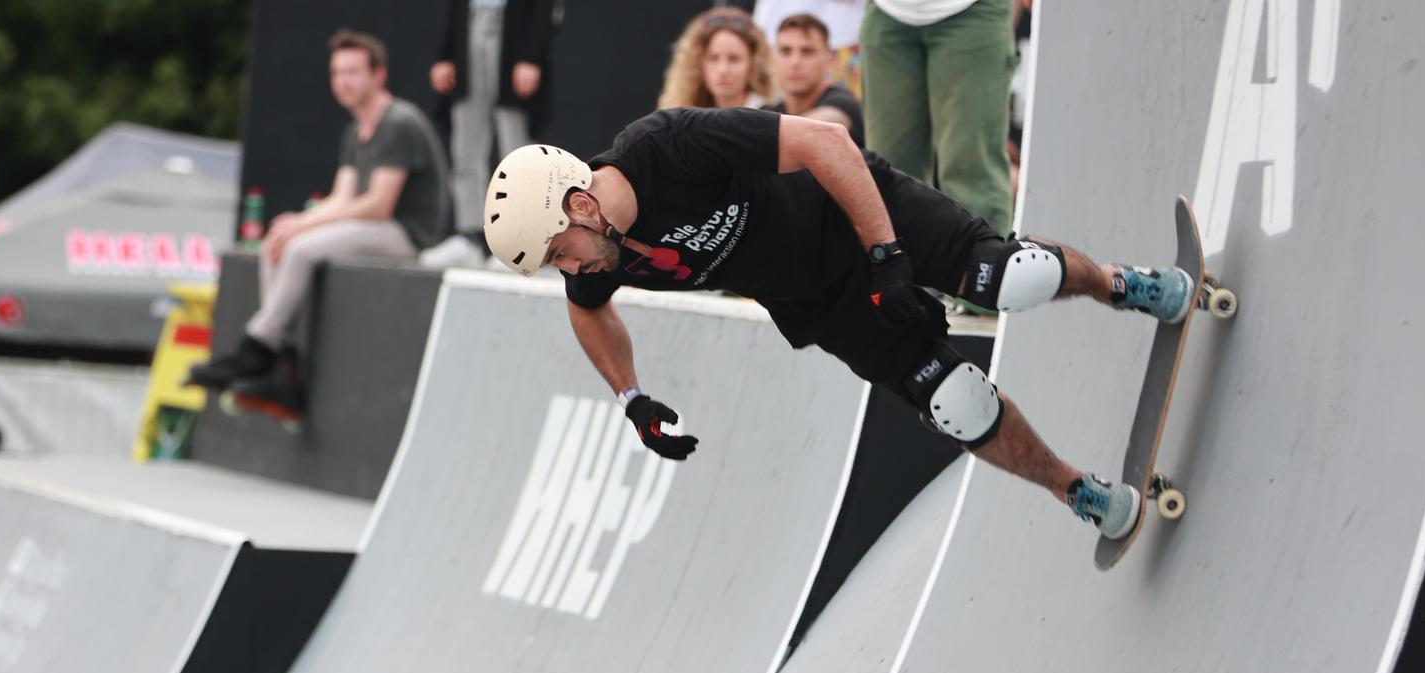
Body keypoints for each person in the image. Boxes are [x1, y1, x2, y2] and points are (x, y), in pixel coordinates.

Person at [481, 109, 1197, 540]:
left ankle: (1120, 285)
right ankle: (1077, 490)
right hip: (819, 300)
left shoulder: (667, 148)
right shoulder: (598, 257)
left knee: (1011, 278)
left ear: (580, 206)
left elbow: (825, 142)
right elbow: (589, 314)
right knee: (957, 404)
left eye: (558, 253)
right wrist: (630, 397)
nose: (568, 269)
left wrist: (886, 255)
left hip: (856, 214)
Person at [187, 29, 451, 417]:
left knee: (302, 248)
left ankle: (256, 348)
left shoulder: (399, 122)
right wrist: (296, 222)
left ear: (379, 75)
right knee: (276, 243)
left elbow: (379, 204)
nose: (343, 81)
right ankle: (282, 365)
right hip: (376, 227)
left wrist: (304, 230)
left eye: (353, 72)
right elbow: (343, 197)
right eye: (336, 73)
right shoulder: (354, 131)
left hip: (407, 235)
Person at [859, 0, 1017, 241]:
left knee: (970, 167)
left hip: (971, 11)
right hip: (887, 12)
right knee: (887, 170)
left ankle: (984, 268)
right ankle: (895, 271)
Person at [426, 0, 556, 266]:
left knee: (518, 150)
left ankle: (521, 240)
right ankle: (470, 235)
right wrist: (446, 55)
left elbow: (545, 8)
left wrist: (531, 56)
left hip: (513, 36)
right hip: (470, 32)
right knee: (466, 146)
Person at [762, 14, 865, 147]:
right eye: (786, 51)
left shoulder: (844, 103)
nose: (795, 62)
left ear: (829, 59)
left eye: (807, 52)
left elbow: (821, 126)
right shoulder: (768, 111)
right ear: (774, 60)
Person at [658, 7, 774, 110]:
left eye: (734, 59)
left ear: (753, 64)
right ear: (696, 63)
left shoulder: (771, 116)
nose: (723, 70)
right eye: (713, 58)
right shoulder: (683, 118)